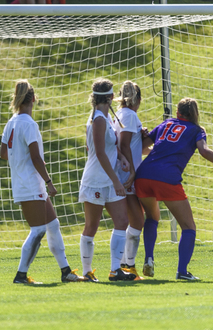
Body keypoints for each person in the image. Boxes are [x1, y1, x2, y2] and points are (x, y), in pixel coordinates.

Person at [136, 98, 213, 280]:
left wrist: (156, 147)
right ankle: (182, 272)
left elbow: (140, 147)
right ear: (195, 113)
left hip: (143, 175)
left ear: (178, 112)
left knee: (152, 217)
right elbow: (204, 151)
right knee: (188, 227)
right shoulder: (197, 130)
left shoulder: (167, 123)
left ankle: (149, 257)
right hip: (167, 178)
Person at [0, 79, 84, 284]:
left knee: (53, 225)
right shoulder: (29, 124)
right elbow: (36, 158)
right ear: (34, 98)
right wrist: (49, 182)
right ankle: (21, 274)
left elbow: (3, 153)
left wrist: (18, 160)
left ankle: (66, 272)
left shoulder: (11, 122)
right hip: (30, 184)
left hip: (24, 181)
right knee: (38, 230)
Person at [78, 78, 137, 282]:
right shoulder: (99, 119)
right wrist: (116, 181)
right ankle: (87, 271)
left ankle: (114, 270)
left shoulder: (105, 117)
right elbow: (100, 153)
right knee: (91, 226)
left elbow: (110, 148)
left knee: (122, 221)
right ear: (111, 97)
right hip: (97, 179)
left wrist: (121, 158)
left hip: (109, 178)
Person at [112, 80, 160, 280]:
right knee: (136, 221)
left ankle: (124, 265)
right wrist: (132, 172)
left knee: (131, 221)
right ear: (138, 99)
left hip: (123, 172)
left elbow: (135, 147)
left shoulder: (122, 114)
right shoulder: (130, 115)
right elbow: (124, 146)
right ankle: (126, 266)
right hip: (125, 175)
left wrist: (150, 145)